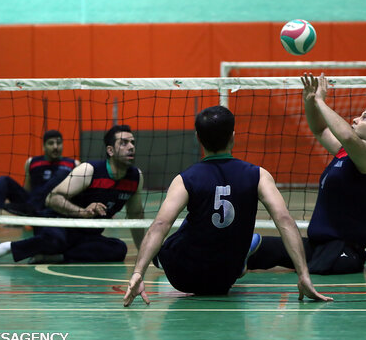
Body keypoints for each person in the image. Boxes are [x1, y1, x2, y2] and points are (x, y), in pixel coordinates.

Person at [123, 105, 332, 307]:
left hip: (182, 275)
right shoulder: (258, 175)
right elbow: (284, 220)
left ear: (198, 138)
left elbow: (160, 224)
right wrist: (304, 275)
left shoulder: (185, 179)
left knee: (190, 222)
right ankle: (243, 254)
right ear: (233, 136)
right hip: (224, 277)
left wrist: (137, 273)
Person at [0, 125, 145, 264]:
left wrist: (144, 252)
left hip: (87, 234)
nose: (131, 147)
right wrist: (83, 212)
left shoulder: (136, 177)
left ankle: (58, 257)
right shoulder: (89, 170)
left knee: (119, 249)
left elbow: (135, 215)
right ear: (110, 150)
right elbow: (52, 198)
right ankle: (7, 247)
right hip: (57, 222)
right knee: (56, 241)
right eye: (124, 143)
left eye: (132, 142)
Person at [290, 73, 366, 275]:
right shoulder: (344, 151)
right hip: (317, 244)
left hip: (343, 248)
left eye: (364, 118)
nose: (355, 119)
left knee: (317, 269)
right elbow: (320, 130)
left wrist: (320, 100)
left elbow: (346, 135)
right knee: (259, 247)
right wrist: (309, 100)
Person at [0, 129, 79, 228]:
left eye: (59, 143)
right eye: (51, 143)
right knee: (3, 180)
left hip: (54, 207)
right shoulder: (32, 162)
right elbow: (27, 189)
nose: (55, 146)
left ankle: (30, 209)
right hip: (31, 203)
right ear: (44, 146)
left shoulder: (73, 164)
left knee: (62, 174)